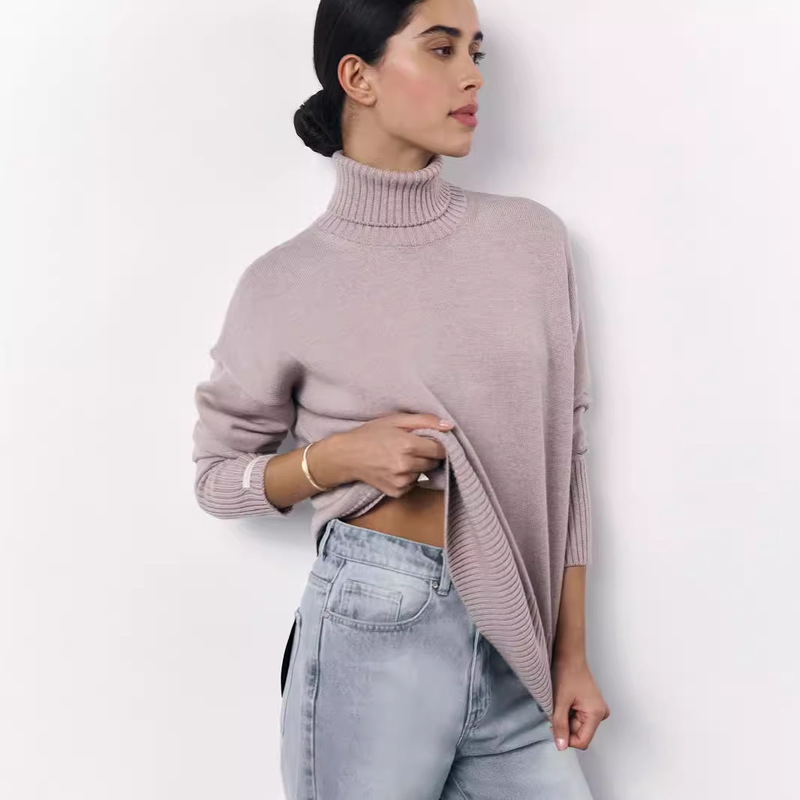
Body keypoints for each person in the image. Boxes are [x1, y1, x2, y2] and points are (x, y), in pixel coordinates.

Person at [191, 0, 610, 796]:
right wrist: (333, 459)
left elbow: (568, 453)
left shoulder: (532, 241)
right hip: (374, 617)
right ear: (359, 77)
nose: (472, 75)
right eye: (442, 49)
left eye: (476, 52)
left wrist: (571, 653)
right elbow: (217, 479)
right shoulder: (285, 281)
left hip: (518, 632)